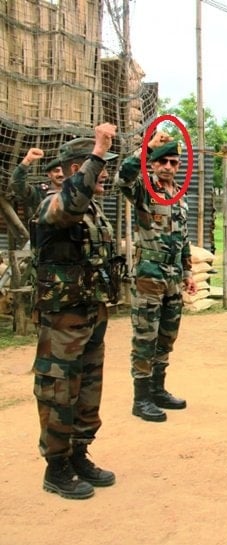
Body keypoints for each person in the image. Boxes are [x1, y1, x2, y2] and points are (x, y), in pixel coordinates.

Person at [29, 124, 124, 499]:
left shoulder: (94, 209)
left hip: (91, 313)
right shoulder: (52, 204)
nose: (105, 173)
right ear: (76, 168)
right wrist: (97, 150)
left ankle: (79, 454)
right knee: (58, 390)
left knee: (88, 389)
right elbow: (69, 206)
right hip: (63, 318)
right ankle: (56, 467)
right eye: (100, 166)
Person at [115, 130, 197, 423]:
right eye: (163, 162)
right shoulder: (144, 189)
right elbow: (122, 178)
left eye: (174, 163)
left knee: (166, 336)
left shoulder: (180, 197)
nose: (168, 167)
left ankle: (158, 389)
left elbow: (183, 238)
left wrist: (188, 271)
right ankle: (141, 399)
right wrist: (147, 148)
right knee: (145, 337)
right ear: (152, 164)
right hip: (149, 275)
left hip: (173, 277)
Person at [10, 147, 65, 225]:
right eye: (56, 171)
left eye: (64, 171)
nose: (61, 174)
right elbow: (17, 183)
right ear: (49, 174)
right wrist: (28, 160)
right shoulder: (39, 193)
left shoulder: (77, 193)